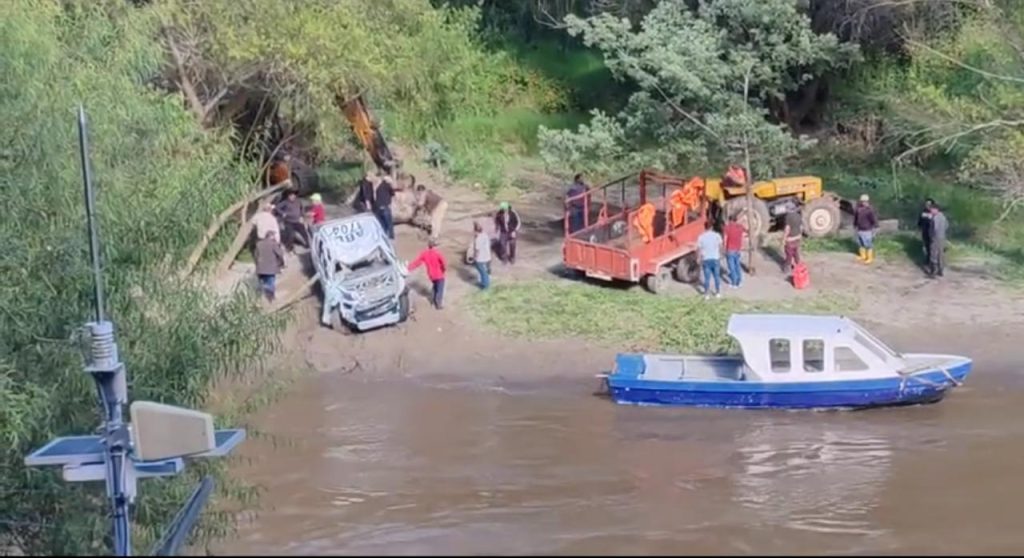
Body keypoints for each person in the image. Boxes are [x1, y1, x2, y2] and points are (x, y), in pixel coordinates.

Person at [408, 237, 448, 309]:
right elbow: (443, 263)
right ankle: (438, 304)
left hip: (431, 275)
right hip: (439, 275)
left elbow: (417, 262)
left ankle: (432, 300)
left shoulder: (425, 254)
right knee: (440, 289)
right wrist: (443, 270)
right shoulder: (438, 253)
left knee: (435, 286)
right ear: (435, 246)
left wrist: (409, 268)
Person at [254, 230, 285, 303]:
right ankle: (270, 298)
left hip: (260, 268)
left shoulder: (259, 244)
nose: (275, 237)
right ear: (271, 236)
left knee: (262, 282)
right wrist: (281, 263)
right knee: (271, 283)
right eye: (274, 235)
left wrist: (257, 264)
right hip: (271, 268)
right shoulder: (273, 244)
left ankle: (259, 297)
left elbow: (256, 256)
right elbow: (280, 254)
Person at [697, 219, 724, 299]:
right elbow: (720, 246)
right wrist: (721, 254)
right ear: (712, 227)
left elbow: (699, 249)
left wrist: (698, 258)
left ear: (705, 227)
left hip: (706, 259)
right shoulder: (717, 236)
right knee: (716, 277)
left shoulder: (701, 237)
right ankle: (718, 292)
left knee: (707, 278)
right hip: (715, 258)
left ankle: (706, 294)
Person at [853, 194, 879, 264]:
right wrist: (855, 225)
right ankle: (863, 256)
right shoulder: (858, 209)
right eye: (862, 201)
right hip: (859, 229)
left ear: (868, 201)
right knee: (860, 243)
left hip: (867, 230)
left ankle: (870, 258)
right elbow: (856, 218)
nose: (864, 202)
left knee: (868, 244)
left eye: (865, 201)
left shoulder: (870, 210)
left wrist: (875, 227)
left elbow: (873, 219)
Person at [722, 214, 746, 288]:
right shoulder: (740, 227)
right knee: (737, 265)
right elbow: (743, 237)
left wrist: (724, 248)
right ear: (736, 220)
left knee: (731, 267)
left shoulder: (727, 228)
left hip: (730, 249)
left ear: (730, 220)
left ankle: (734, 282)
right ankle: (739, 281)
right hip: (738, 249)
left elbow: (725, 239)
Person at [782, 203, 803, 274]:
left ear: (788, 209)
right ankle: (799, 267)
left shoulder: (788, 217)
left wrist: (784, 239)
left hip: (790, 239)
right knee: (796, 253)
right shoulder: (798, 215)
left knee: (789, 254)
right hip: (797, 238)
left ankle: (787, 268)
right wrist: (799, 236)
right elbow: (801, 227)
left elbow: (787, 228)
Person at [928, 204, 949, 278]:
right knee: (941, 254)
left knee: (933, 254)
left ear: (936, 209)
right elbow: (947, 225)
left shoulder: (935, 218)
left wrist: (931, 235)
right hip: (942, 237)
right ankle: (941, 270)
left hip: (935, 238)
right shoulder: (943, 216)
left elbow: (935, 229)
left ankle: (934, 271)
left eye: (931, 209)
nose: (930, 211)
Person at [470, 221, 492, 290]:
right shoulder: (485, 235)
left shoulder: (478, 239)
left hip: (480, 258)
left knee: (482, 271)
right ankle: (485, 282)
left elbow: (477, 250)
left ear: (475, 231)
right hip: (487, 256)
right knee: (485, 271)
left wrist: (474, 258)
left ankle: (485, 285)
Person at [918, 198, 935, 265]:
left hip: (933, 233)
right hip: (925, 232)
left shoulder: (934, 213)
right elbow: (919, 222)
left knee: (933, 246)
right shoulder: (923, 212)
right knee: (927, 246)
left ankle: (934, 260)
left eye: (929, 204)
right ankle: (928, 259)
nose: (927, 205)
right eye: (926, 204)